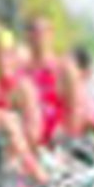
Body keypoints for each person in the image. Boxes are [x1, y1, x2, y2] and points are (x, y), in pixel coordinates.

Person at [24, 15, 83, 144]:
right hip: (26, 143)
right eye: (33, 31)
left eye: (43, 31)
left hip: (55, 144)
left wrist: (66, 140)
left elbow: (76, 110)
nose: (38, 36)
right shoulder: (21, 69)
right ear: (27, 35)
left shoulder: (64, 68)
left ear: (51, 34)